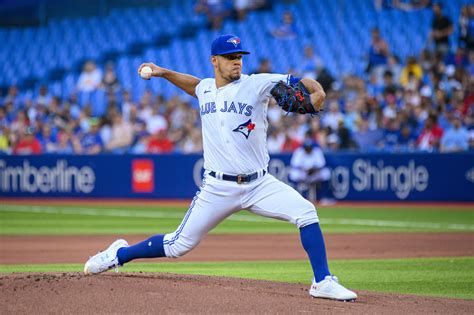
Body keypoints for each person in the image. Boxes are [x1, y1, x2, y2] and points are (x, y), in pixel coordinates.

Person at [84, 34, 357, 301]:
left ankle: (322, 281)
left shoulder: (256, 84)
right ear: (214, 60)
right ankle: (118, 254)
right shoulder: (205, 89)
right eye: (230, 57)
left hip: (259, 184)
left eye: (239, 57)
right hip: (217, 187)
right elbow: (194, 85)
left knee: (306, 212)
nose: (237, 62)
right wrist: (163, 72)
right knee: (178, 245)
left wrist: (317, 90)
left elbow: (299, 81)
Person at [289, 139, 333, 204]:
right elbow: (294, 165)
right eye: (307, 148)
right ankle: (295, 198)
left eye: (309, 148)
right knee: (293, 174)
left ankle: (324, 198)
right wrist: (305, 170)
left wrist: (313, 169)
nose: (308, 149)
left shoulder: (317, 151)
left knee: (326, 173)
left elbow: (321, 164)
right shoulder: (299, 152)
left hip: (314, 173)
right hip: (303, 173)